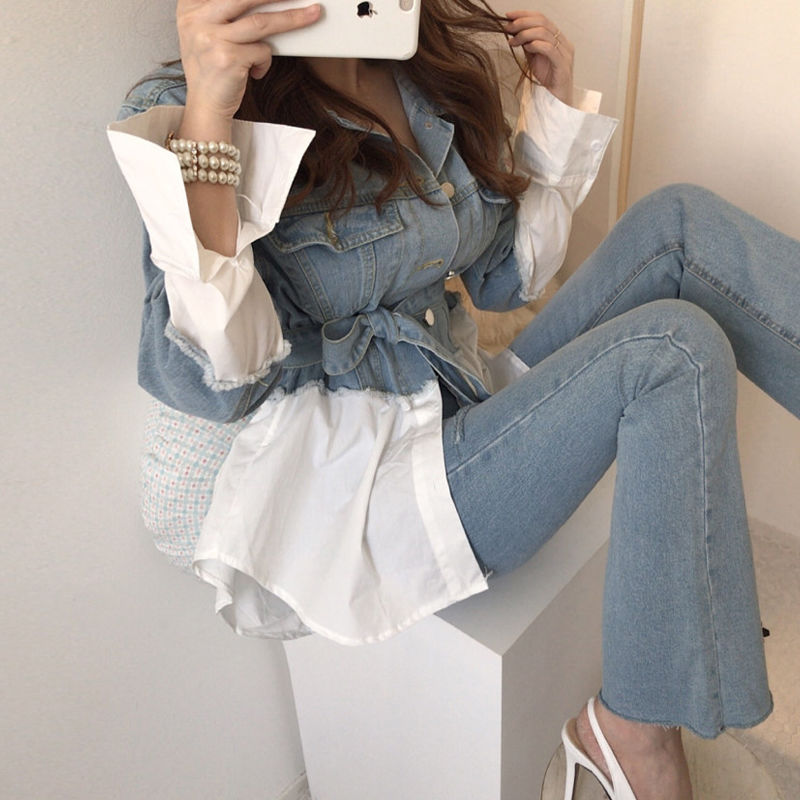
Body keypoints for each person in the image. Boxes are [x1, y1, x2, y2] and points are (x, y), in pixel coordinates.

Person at [106, 1, 800, 797]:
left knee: (680, 224)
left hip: (465, 399)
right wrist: (210, 119)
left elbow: (506, 280)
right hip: (380, 489)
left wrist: (551, 109)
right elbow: (208, 382)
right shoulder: (198, 105)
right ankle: (632, 735)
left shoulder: (423, 73)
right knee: (673, 350)